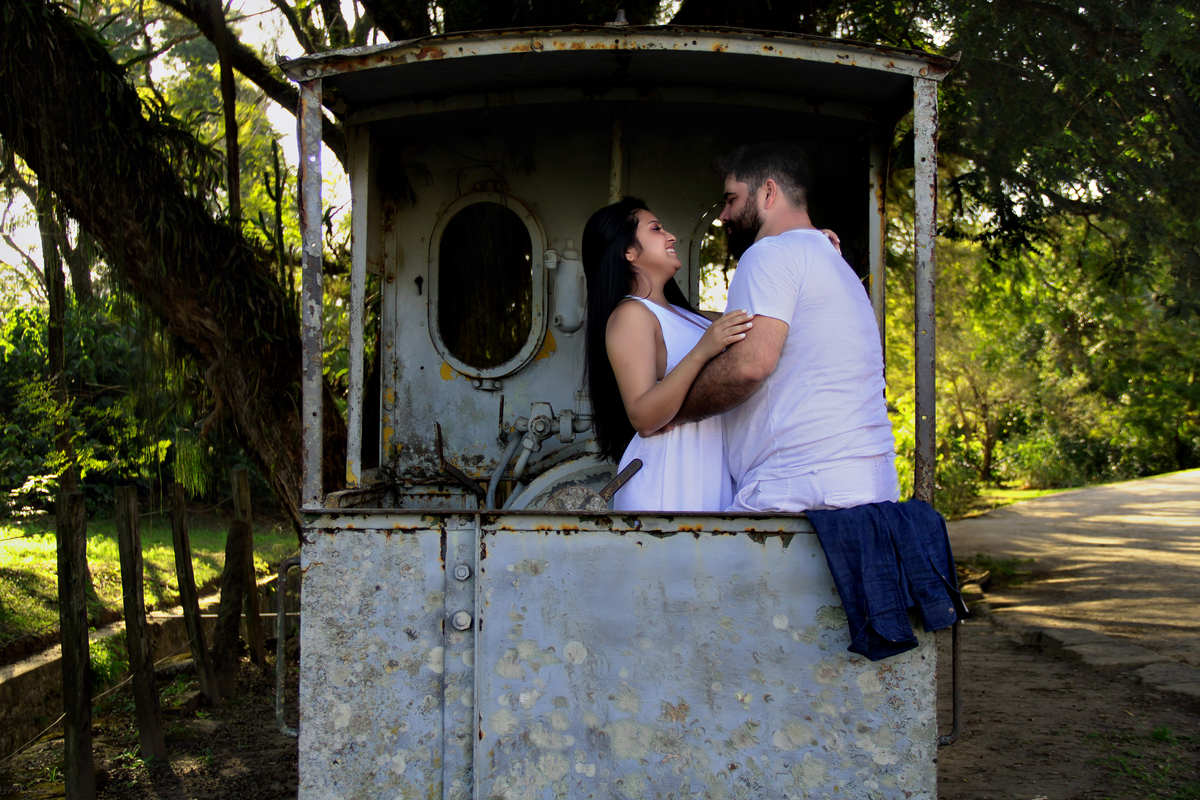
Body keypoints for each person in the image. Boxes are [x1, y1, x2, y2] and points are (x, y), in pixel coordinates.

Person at [672, 142, 899, 512]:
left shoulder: (769, 253)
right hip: (867, 483)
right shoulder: (830, 259)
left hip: (800, 486)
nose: (723, 215)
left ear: (768, 191)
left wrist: (674, 409)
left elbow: (749, 366)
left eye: (730, 199)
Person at [581, 198, 751, 511]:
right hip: (671, 479)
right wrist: (701, 352)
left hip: (708, 470)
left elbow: (759, 321)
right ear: (628, 252)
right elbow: (643, 417)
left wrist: (801, 244)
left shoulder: (695, 318)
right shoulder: (631, 315)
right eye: (656, 229)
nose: (671, 236)